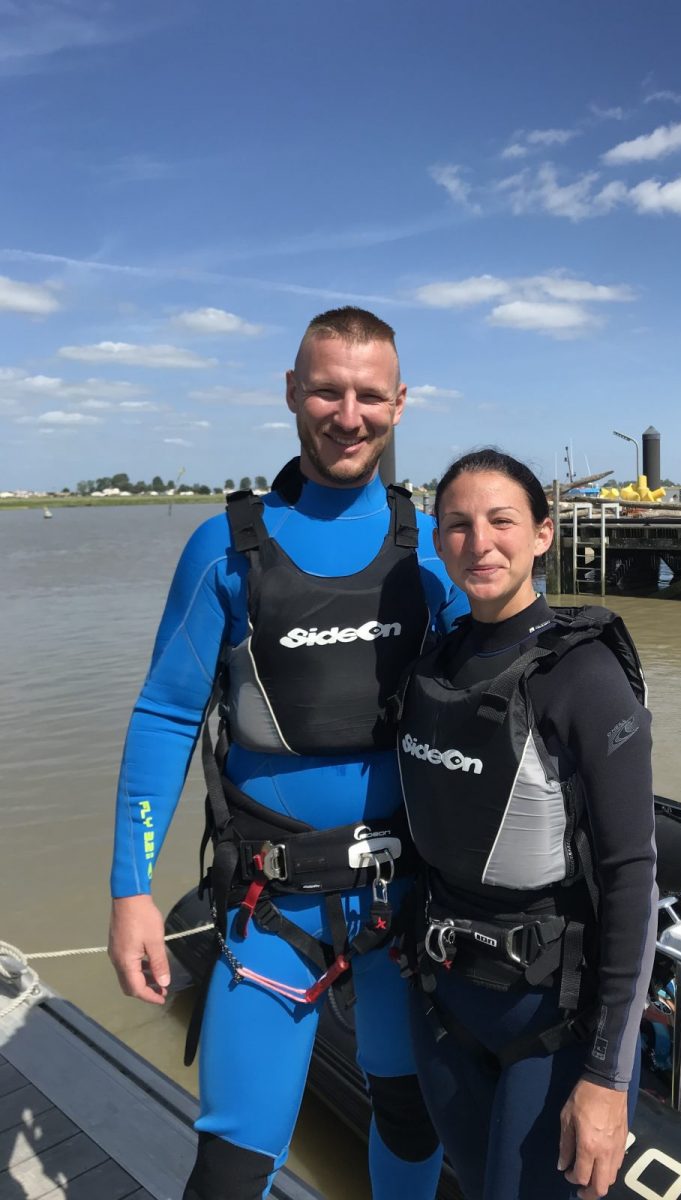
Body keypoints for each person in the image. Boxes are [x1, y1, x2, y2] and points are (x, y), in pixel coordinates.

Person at [107, 307, 468, 1200]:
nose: (349, 415)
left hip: (406, 902)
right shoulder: (226, 549)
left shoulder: (432, 550)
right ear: (291, 393)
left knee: (413, 1122)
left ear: (400, 403)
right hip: (271, 908)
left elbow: (502, 708)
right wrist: (130, 892)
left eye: (369, 395)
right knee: (233, 1166)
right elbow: (163, 717)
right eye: (327, 390)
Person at [396, 449, 657, 1200]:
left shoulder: (584, 676)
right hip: (444, 1000)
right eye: (458, 524)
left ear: (543, 535)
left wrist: (607, 1076)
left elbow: (633, 875)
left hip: (551, 1018)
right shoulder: (433, 668)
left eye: (502, 521)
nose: (481, 542)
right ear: (439, 541)